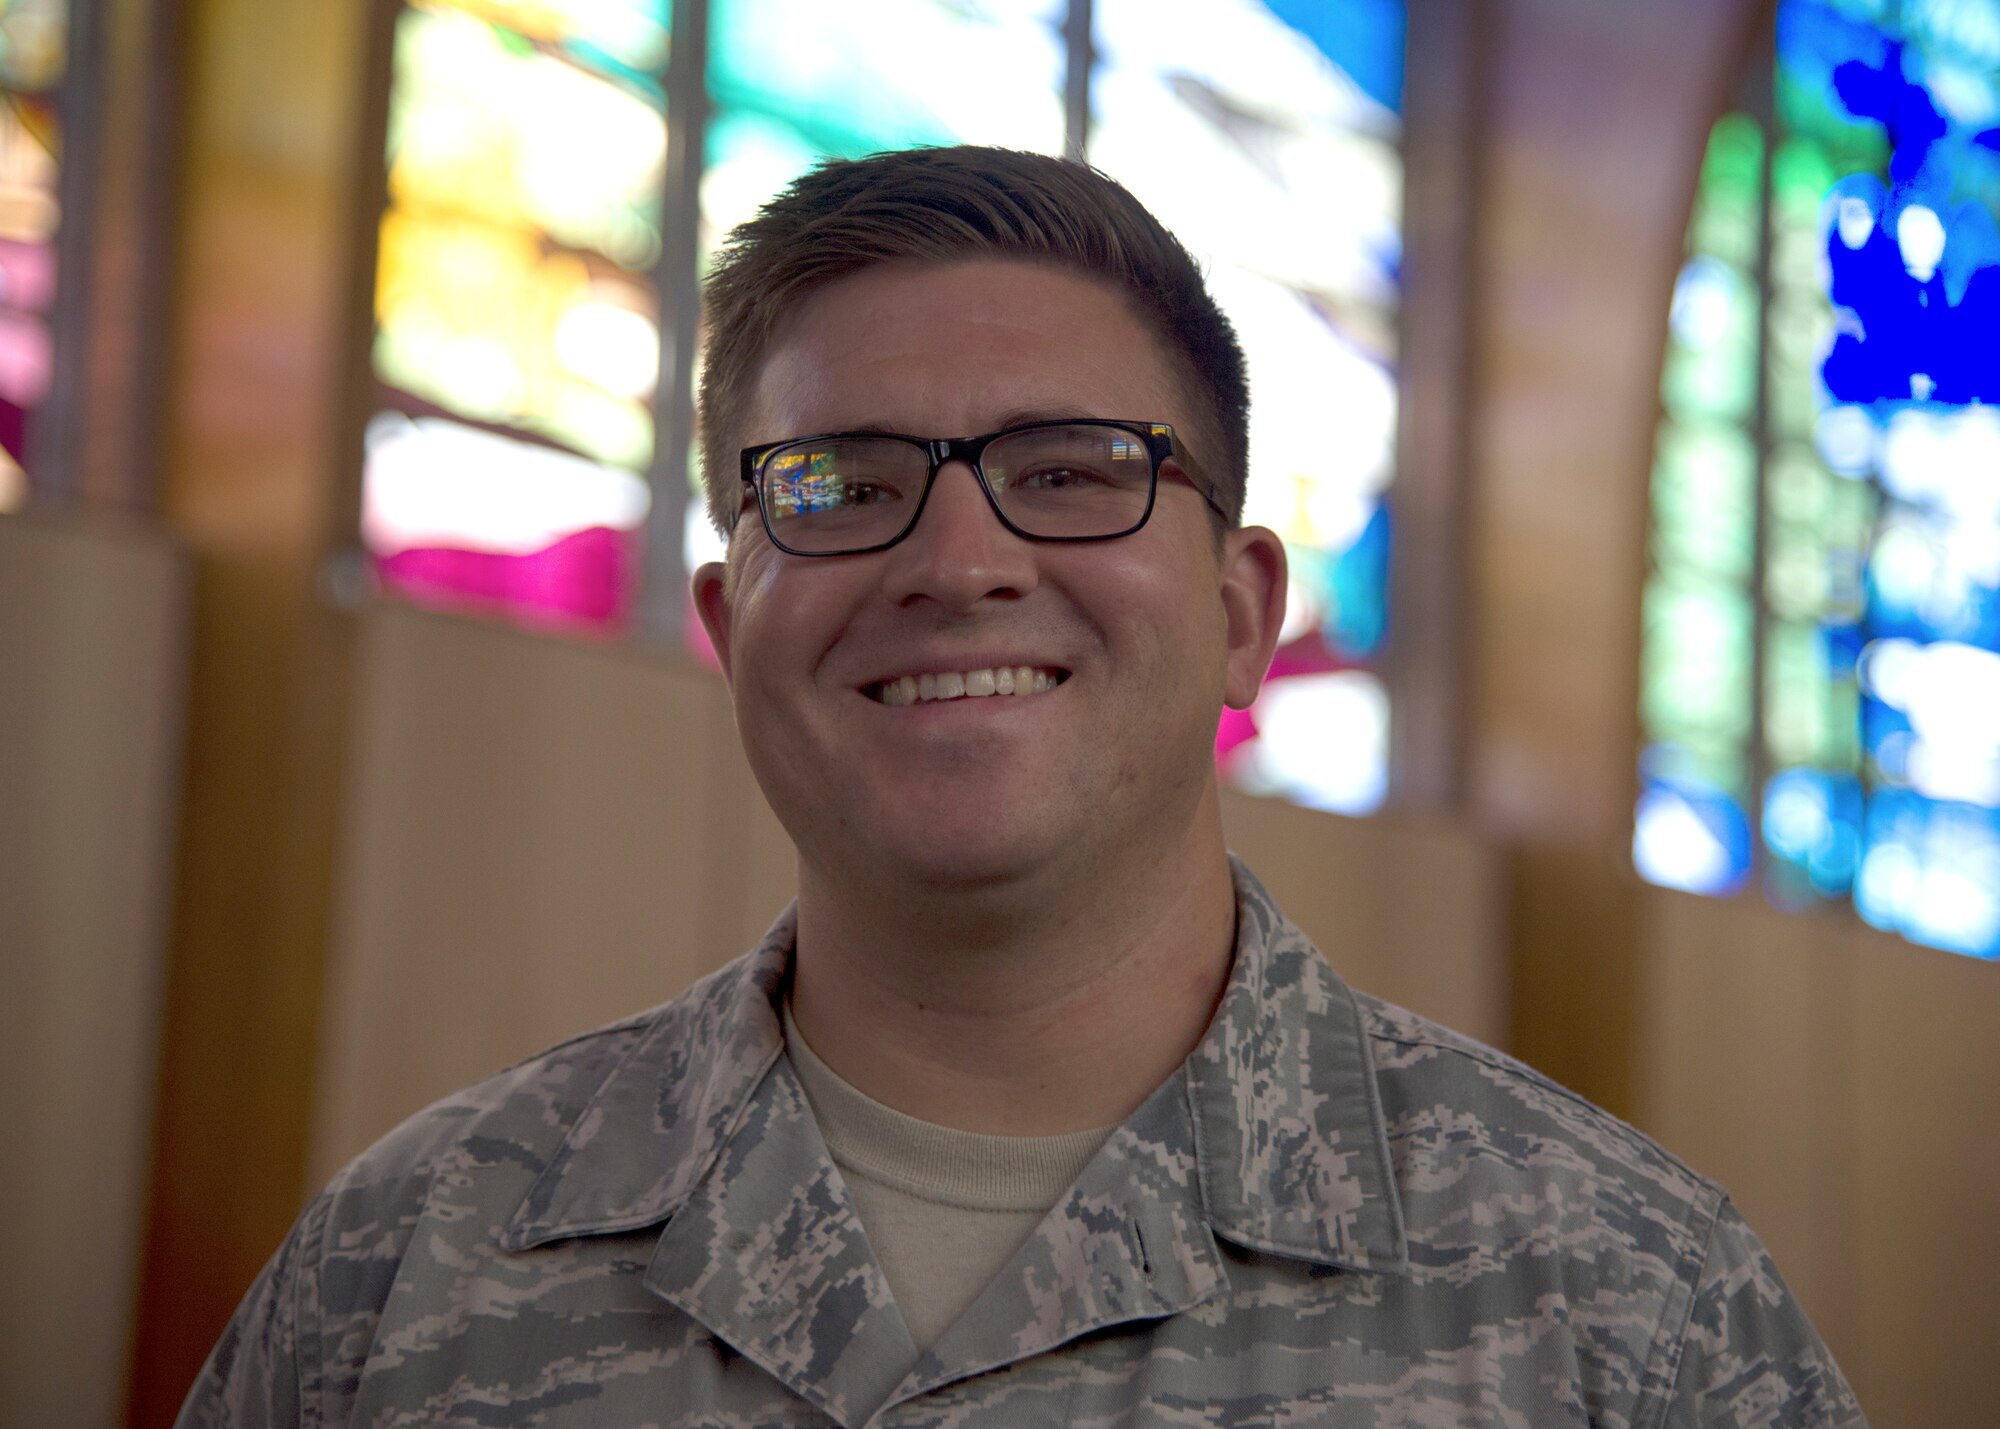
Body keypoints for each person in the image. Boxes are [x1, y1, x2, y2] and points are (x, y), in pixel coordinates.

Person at [178, 146, 1866, 1428]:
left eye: (1073, 471)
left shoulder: (1629, 1306)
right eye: (842, 484)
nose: (962, 559)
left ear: (1240, 615)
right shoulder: (403, 1270)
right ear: (728, 621)